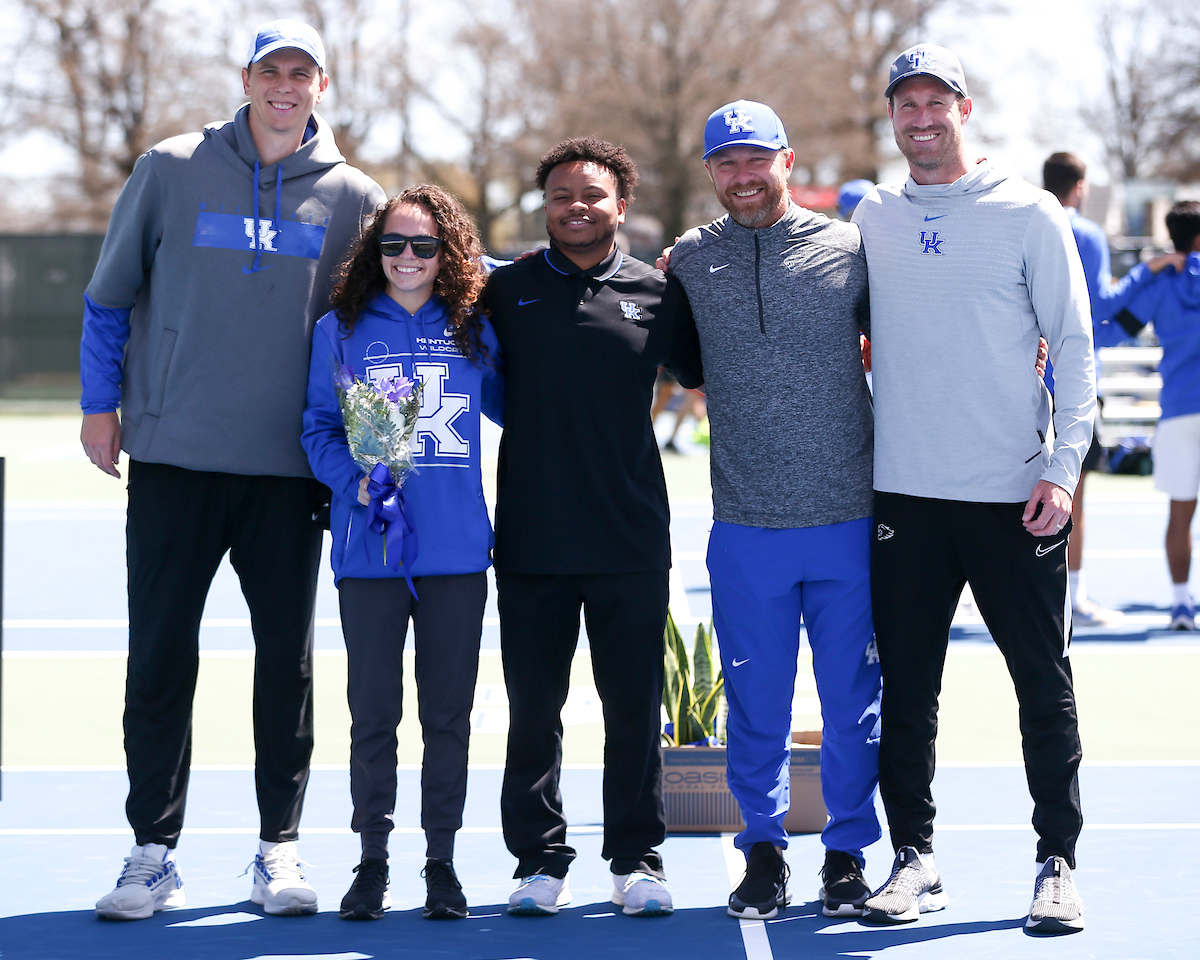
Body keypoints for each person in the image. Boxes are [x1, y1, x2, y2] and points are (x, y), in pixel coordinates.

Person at [79, 19, 385, 920]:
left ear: (321, 86)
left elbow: (390, 299)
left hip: (289, 472)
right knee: (161, 657)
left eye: (302, 72)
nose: (285, 86)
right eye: (270, 70)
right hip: (175, 458)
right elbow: (108, 297)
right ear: (246, 77)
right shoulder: (170, 167)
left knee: (283, 666)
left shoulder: (352, 195)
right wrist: (103, 407)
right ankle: (151, 851)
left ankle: (277, 851)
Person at [852, 43, 1094, 934]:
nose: (920, 119)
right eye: (905, 105)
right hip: (904, 499)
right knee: (909, 691)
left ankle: (1057, 861)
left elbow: (1073, 349)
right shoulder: (871, 215)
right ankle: (913, 856)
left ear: (963, 107)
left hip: (1013, 496)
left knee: (1042, 682)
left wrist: (1063, 473)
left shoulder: (1029, 213)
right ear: (892, 116)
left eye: (935, 103)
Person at [666, 100, 881, 921]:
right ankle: (762, 850)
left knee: (853, 708)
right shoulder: (689, 262)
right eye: (727, 162)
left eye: (757, 159)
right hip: (747, 526)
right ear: (712, 171)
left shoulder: (854, 250)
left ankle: (848, 852)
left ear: (788, 160)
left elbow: (916, 345)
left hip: (847, 521)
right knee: (755, 705)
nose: (743, 175)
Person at [481, 137, 701, 918]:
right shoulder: (502, 293)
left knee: (634, 708)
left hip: (631, 536)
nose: (579, 206)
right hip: (533, 536)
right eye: (563, 194)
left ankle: (636, 859)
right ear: (545, 207)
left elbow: (714, 371)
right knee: (533, 709)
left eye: (594, 194)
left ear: (622, 206)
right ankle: (539, 862)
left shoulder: (658, 290)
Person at [301, 185, 503, 921]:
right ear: (374, 253)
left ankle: (442, 862)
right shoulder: (341, 329)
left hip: (457, 553)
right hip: (371, 555)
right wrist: (352, 482)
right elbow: (317, 426)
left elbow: (526, 402)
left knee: (448, 715)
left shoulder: (477, 326)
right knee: (373, 713)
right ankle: (372, 860)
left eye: (424, 245)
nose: (408, 258)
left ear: (448, 253)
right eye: (393, 245)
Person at [1041, 152, 1180, 626]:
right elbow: (1101, 308)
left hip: (1023, 379)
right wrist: (1150, 268)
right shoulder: (1086, 233)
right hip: (1072, 382)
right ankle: (1072, 598)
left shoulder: (1025, 220)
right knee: (1072, 492)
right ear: (1078, 186)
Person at [1078, 203, 1196, 626]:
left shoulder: (1163, 284)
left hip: (1180, 411)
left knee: (1180, 513)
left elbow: (1106, 328)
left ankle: (1181, 605)